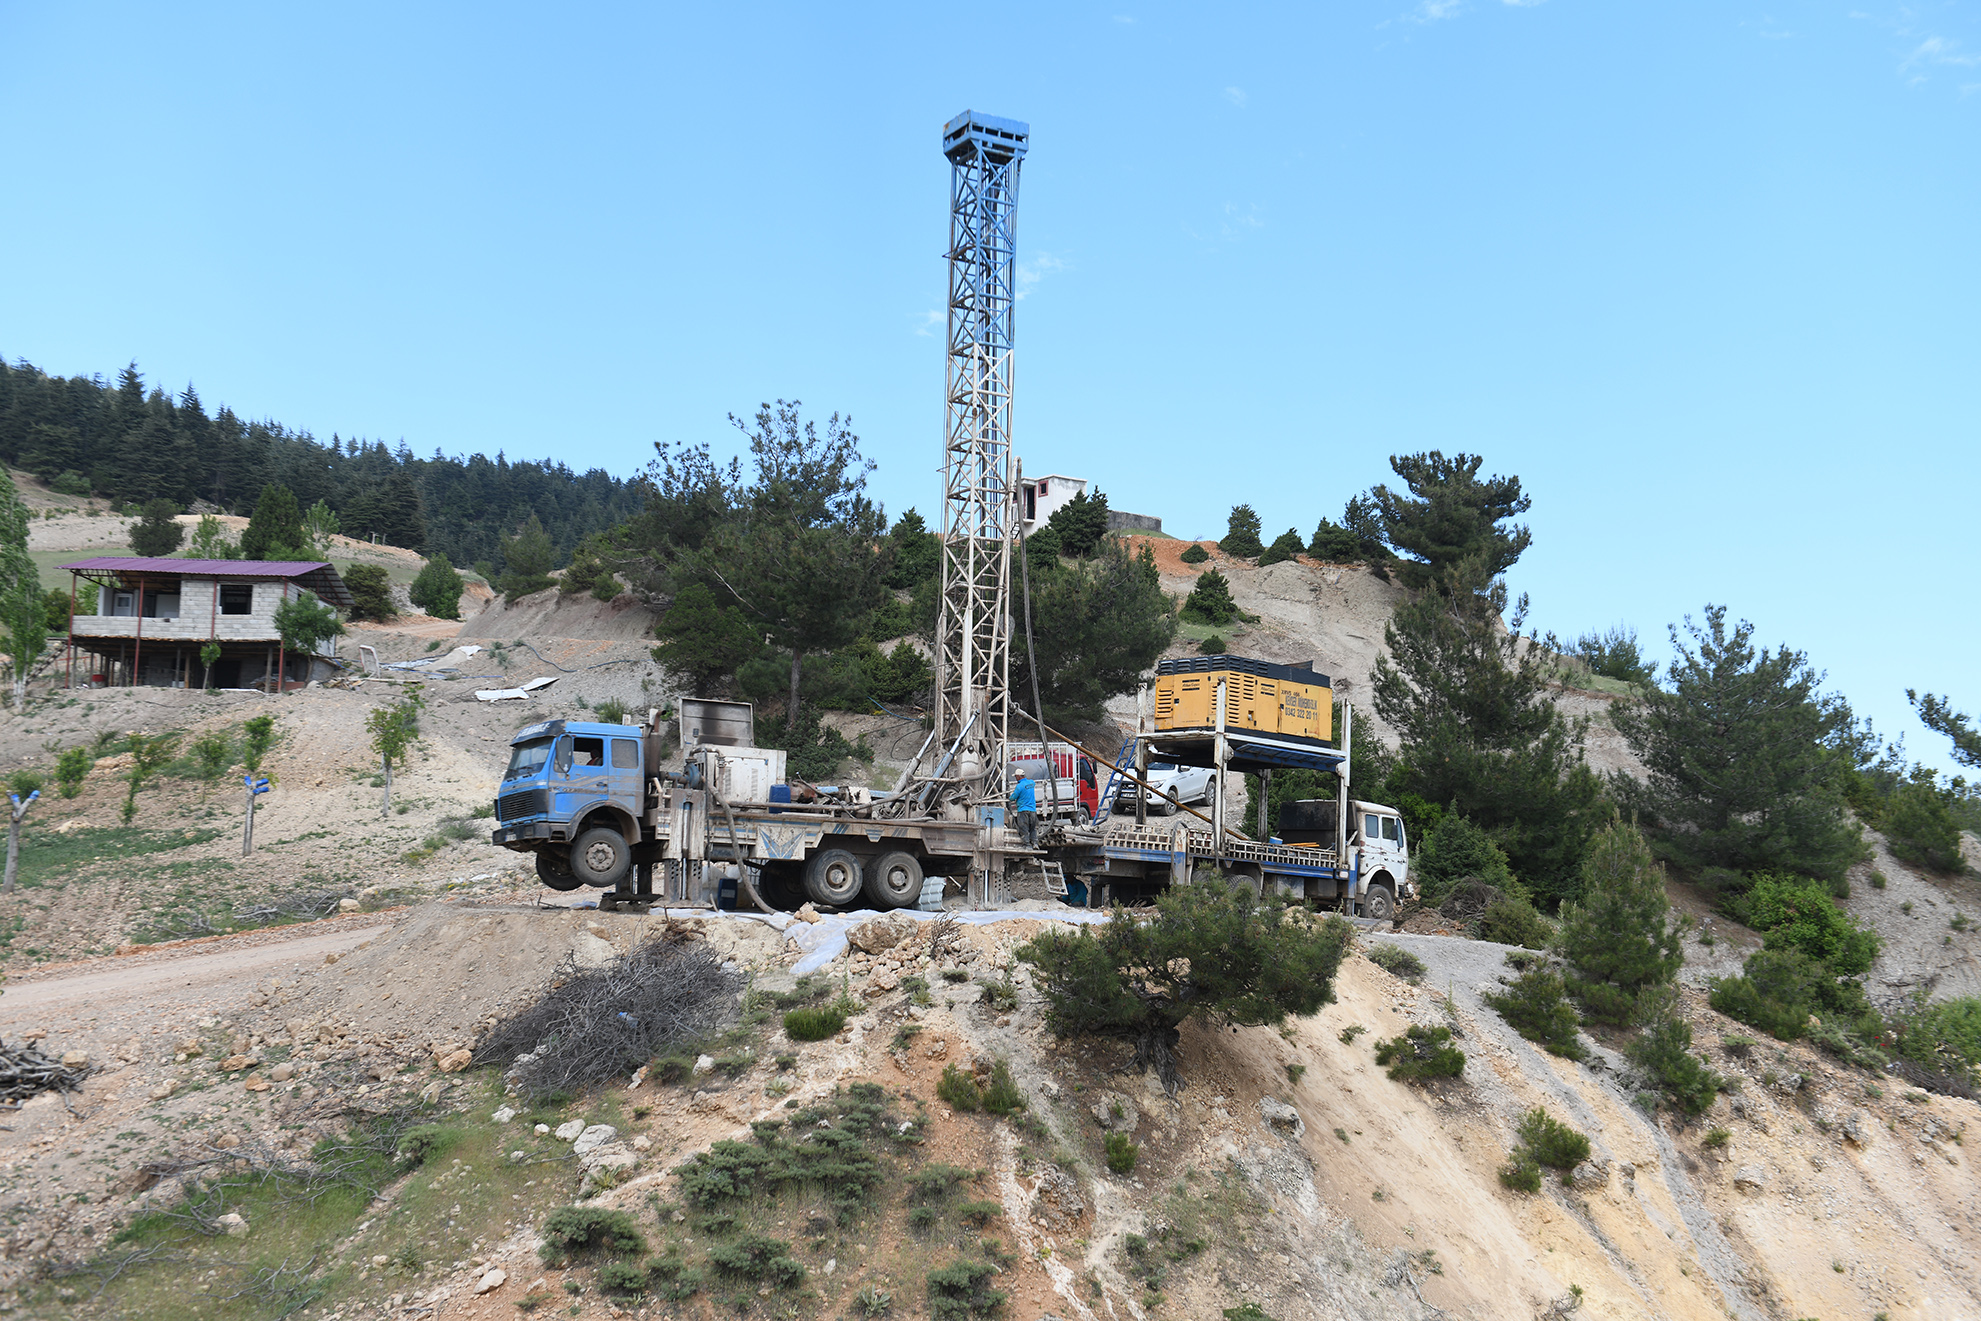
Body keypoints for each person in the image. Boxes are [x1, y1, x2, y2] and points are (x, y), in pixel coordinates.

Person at [1010, 769, 1038, 848]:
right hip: (1033, 810)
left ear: (1019, 776)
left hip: (1023, 810)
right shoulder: (1031, 783)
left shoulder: (1019, 786)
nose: (1016, 778)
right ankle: (1035, 843)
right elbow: (1032, 783)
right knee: (1032, 828)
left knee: (1024, 828)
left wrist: (1009, 798)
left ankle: (1027, 845)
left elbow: (1013, 797)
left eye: (1016, 776)